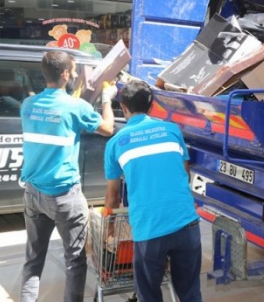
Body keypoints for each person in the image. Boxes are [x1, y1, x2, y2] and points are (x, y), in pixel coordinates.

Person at [19, 50, 117, 302]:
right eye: (73, 71)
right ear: (64, 74)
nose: (75, 75)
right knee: (75, 261)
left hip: (32, 194)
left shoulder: (27, 105)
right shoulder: (75, 107)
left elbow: (54, 115)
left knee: (33, 260)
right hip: (64, 197)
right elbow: (107, 128)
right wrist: (106, 98)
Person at [103, 80, 202, 302]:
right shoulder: (172, 130)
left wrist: (109, 229)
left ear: (124, 107)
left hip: (150, 230)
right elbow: (184, 173)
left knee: (149, 294)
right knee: (190, 293)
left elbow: (113, 196)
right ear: (151, 106)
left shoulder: (116, 142)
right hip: (186, 224)